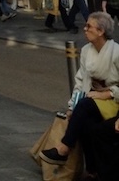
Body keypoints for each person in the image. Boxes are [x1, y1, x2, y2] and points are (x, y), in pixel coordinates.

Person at [39, 11, 119, 175]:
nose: (84, 29)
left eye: (89, 26)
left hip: (113, 100)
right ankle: (93, 170)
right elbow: (81, 81)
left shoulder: (117, 52)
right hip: (92, 99)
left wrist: (108, 93)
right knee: (85, 124)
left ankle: (64, 148)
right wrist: (71, 106)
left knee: (84, 105)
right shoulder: (86, 51)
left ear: (101, 31)